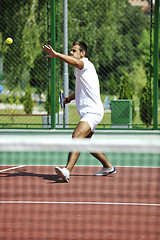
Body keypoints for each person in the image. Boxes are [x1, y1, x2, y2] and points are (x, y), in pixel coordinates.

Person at [42, 41, 116, 182]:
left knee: (76, 136)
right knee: (85, 142)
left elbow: (75, 62)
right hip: (89, 111)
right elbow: (83, 90)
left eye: (74, 50)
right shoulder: (81, 71)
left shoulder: (85, 64)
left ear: (82, 53)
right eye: (71, 50)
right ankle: (108, 167)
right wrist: (70, 98)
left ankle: (67, 170)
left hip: (92, 112)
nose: (71, 52)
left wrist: (56, 54)